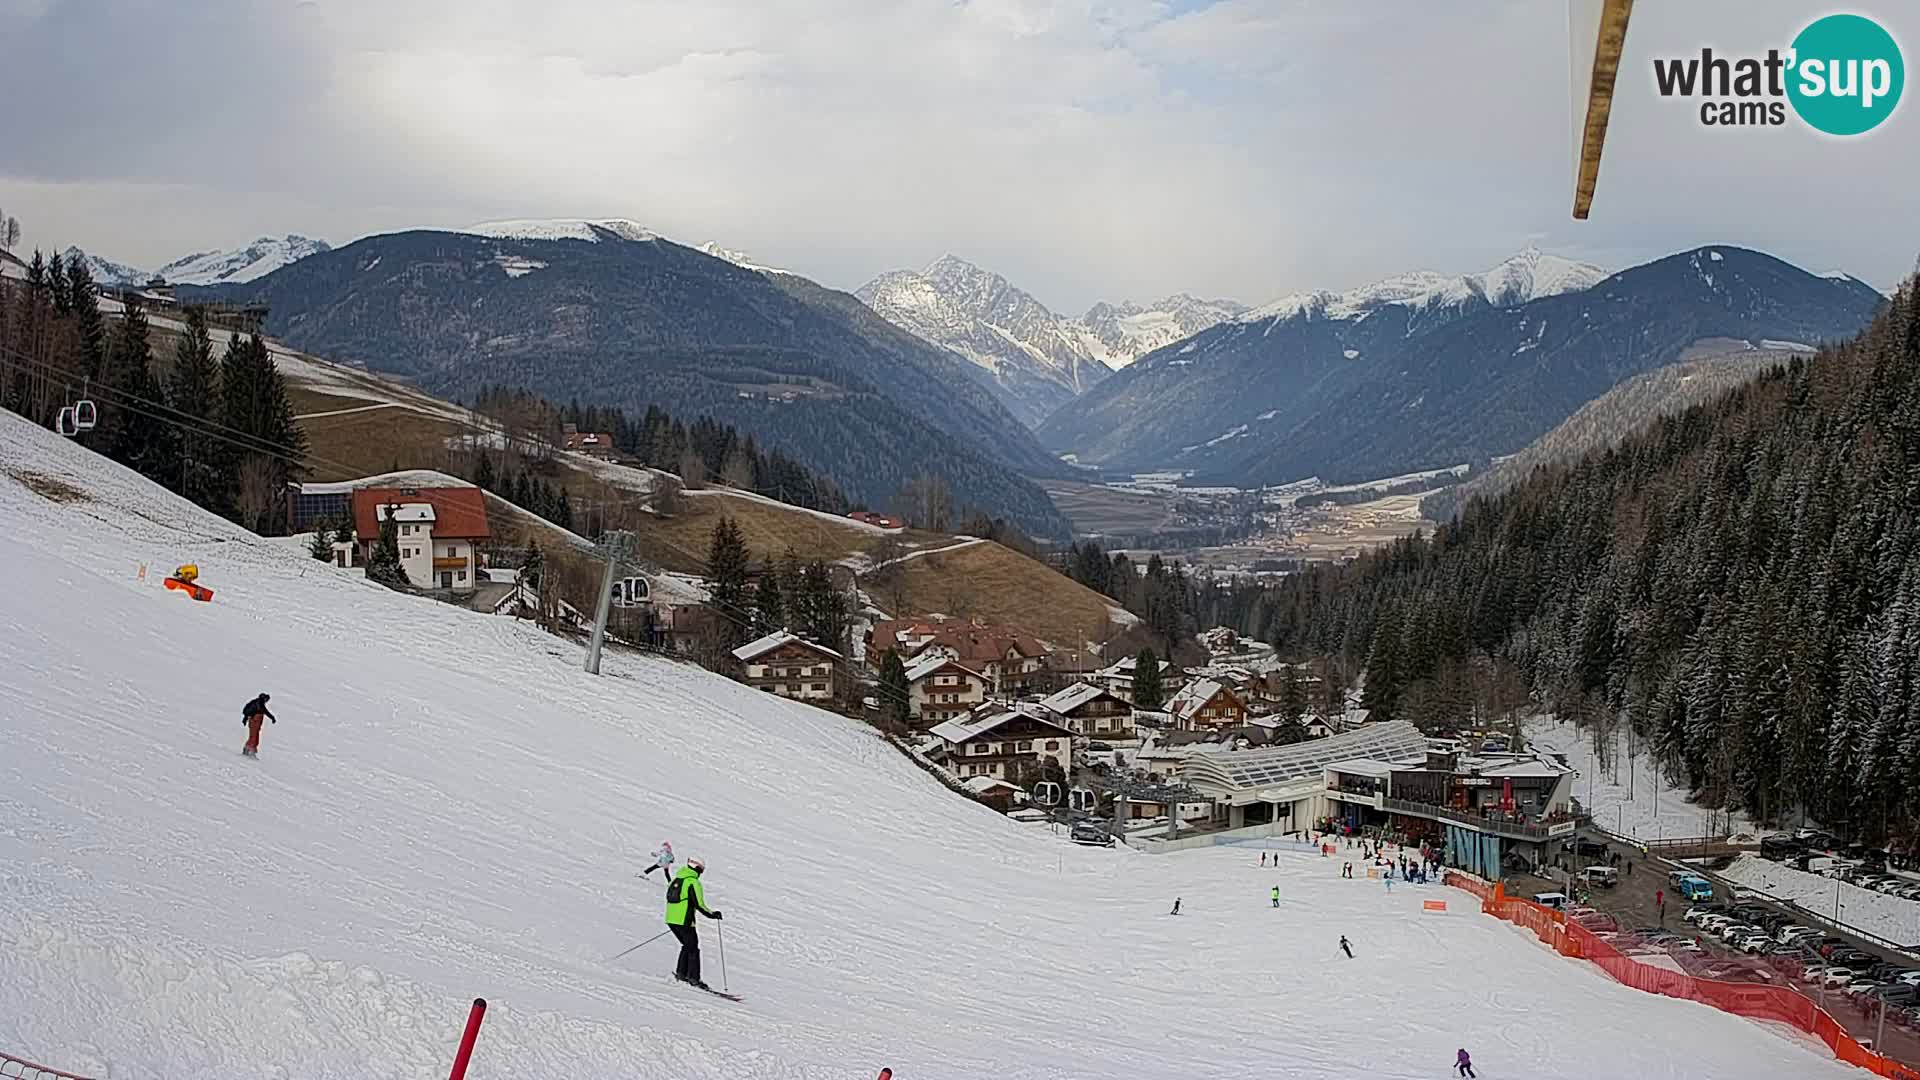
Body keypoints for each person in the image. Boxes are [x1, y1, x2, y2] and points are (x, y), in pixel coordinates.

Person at [664, 857, 723, 989]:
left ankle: (681, 973)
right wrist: (713, 915)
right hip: (684, 921)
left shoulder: (676, 879)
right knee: (693, 949)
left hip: (671, 920)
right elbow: (699, 904)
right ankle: (694, 979)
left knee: (687, 945)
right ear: (698, 869)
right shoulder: (693, 882)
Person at [240, 693, 276, 757]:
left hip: (254, 722)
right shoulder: (260, 704)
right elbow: (265, 711)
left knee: (253, 736)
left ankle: (247, 749)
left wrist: (245, 718)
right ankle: (251, 751)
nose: (267, 701)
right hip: (255, 721)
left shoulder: (257, 702)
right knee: (254, 737)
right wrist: (272, 717)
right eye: (267, 699)